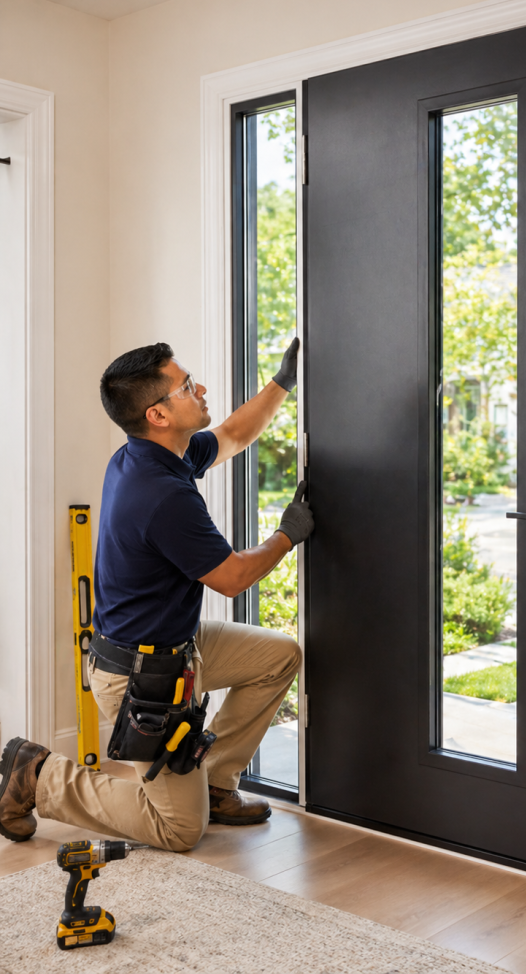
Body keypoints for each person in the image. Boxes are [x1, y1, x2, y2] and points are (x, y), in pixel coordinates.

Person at [0, 340, 313, 851]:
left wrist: (283, 381)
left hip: (177, 648)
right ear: (158, 413)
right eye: (187, 386)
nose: (201, 389)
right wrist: (286, 535)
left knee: (278, 657)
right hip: (139, 679)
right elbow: (232, 579)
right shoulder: (160, 493)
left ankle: (214, 783)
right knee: (179, 829)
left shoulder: (157, 453)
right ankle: (39, 776)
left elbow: (233, 435)